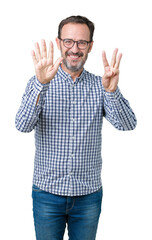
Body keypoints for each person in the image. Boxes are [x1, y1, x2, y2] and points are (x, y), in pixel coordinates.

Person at [15, 15, 137, 240]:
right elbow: (22, 126)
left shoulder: (101, 85)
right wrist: (41, 85)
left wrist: (111, 92)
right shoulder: (39, 82)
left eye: (82, 43)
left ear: (90, 46)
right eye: (68, 41)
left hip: (88, 196)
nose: (74, 48)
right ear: (59, 42)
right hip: (47, 194)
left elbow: (128, 124)